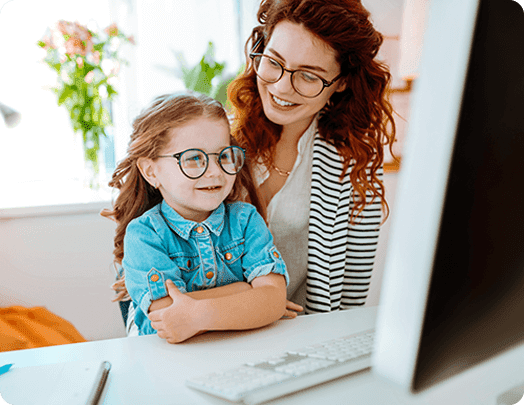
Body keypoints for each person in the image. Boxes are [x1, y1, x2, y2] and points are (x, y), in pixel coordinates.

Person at [227, 0, 396, 314]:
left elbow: (349, 300)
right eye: (274, 61)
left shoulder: (356, 165)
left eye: (308, 76)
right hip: (208, 330)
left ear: (342, 82)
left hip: (301, 336)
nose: (281, 86)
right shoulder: (218, 140)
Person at [102, 93, 301, 343]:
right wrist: (246, 294)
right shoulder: (144, 234)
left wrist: (197, 314)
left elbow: (272, 301)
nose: (215, 171)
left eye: (223, 156)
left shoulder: (245, 220)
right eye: (194, 158)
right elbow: (168, 316)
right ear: (151, 171)